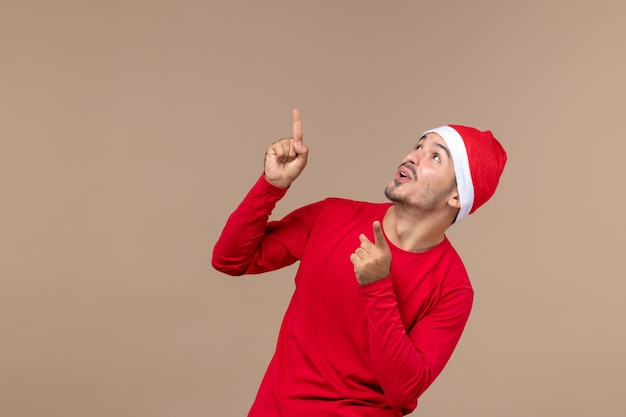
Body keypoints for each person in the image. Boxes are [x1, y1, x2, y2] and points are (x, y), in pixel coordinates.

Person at [212, 108, 507, 416]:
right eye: (419, 146)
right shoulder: (332, 215)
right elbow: (230, 259)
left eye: (436, 157)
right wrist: (270, 187)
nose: (412, 156)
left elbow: (403, 391)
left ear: (458, 196)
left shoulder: (453, 289)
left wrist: (378, 287)